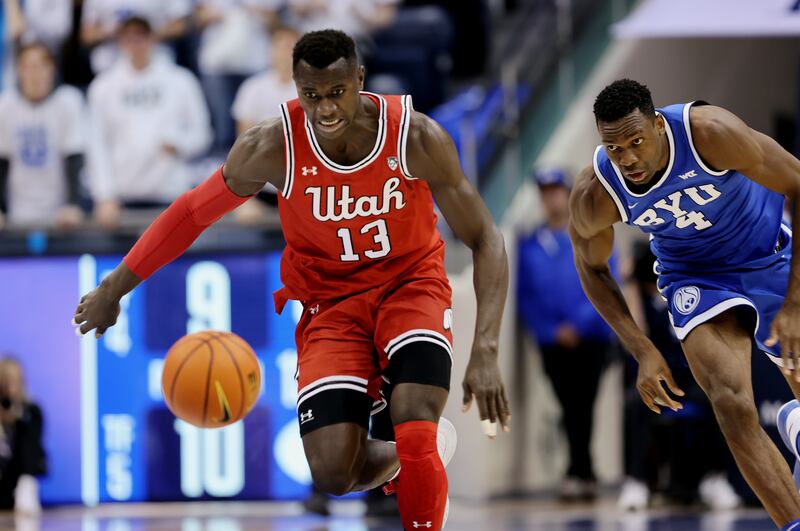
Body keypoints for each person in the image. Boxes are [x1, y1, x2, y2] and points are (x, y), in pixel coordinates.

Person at [73, 29, 510, 531]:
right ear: (296, 89)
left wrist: (487, 348)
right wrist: (115, 287)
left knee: (415, 423)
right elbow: (192, 214)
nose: (324, 109)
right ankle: (412, 454)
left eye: (336, 93)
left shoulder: (415, 136)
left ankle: (416, 453)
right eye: (311, 96)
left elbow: (486, 238)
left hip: (410, 286)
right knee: (334, 473)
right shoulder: (272, 146)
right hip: (330, 304)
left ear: (359, 80)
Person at [568, 78, 800, 529]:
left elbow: (798, 182)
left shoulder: (710, 133)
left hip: (767, 254)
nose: (628, 158)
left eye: (636, 141)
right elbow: (592, 269)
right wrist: (643, 349)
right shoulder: (596, 194)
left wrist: (795, 302)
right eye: (615, 149)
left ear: (658, 125)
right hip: (695, 278)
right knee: (731, 404)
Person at [619, 242, 740, 511]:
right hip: (660, 381)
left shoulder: (683, 293)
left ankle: (715, 478)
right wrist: (629, 284)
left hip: (693, 380)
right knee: (633, 404)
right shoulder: (643, 302)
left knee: (724, 400)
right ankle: (636, 481)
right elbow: (637, 335)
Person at [517, 167, 613, 502]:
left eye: (556, 190)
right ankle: (582, 469)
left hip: (591, 338)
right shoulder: (530, 245)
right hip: (553, 343)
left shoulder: (591, 234)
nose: (551, 197)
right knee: (568, 404)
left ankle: (578, 471)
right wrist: (552, 330)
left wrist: (579, 324)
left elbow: (604, 282)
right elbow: (526, 297)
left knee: (584, 404)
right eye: (545, 191)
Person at [86, 16, 211, 230]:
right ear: (121, 42)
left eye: (141, 37)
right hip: (122, 197)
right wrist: (104, 195)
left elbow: (203, 133)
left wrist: (180, 143)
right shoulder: (102, 87)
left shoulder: (181, 81)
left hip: (170, 193)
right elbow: (96, 144)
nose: (137, 44)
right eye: (130, 38)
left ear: (153, 39)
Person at [0, 41, 86, 230]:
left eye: (39, 66)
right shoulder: (6, 105)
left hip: (59, 216)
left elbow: (74, 157)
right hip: (18, 212)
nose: (34, 74)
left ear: (51, 69)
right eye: (28, 67)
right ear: (19, 71)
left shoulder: (68, 101)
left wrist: (73, 205)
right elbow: (2, 162)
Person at [229, 25, 299, 225]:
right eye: (282, 46)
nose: (286, 52)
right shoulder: (253, 88)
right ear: (271, 49)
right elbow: (244, 141)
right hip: (263, 184)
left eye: (292, 46)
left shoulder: (312, 89)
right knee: (245, 213)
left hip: (300, 182)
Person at [195, 0, 281, 154]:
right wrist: (211, 15)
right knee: (221, 122)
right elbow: (195, 18)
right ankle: (221, 160)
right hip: (216, 62)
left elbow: (275, 22)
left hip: (253, 62)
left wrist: (259, 13)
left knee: (249, 118)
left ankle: (245, 158)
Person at [0, 357, 46, 515]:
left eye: (15, 380)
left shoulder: (31, 411)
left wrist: (17, 416)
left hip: (19, 480)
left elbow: (32, 447)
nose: (11, 387)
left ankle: (27, 487)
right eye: (7, 380)